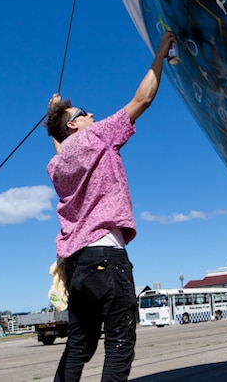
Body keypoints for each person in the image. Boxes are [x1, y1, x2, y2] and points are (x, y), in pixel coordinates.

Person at [44, 31, 177, 382]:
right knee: (120, 342)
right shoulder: (97, 135)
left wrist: (53, 115)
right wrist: (161, 53)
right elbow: (143, 98)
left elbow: (60, 145)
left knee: (78, 346)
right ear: (74, 125)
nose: (92, 114)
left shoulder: (56, 166)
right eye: (84, 113)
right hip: (105, 256)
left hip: (76, 267)